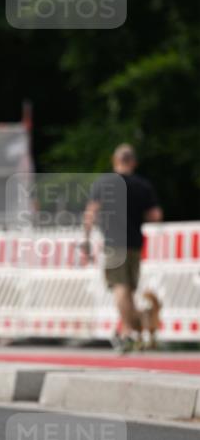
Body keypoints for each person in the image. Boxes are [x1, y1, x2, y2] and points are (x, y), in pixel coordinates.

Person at [84, 144, 163, 352]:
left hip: (113, 243)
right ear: (133, 162)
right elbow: (155, 215)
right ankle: (143, 322)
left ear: (114, 160)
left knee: (119, 288)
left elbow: (91, 212)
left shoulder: (104, 183)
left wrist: (86, 238)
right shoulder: (143, 185)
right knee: (129, 289)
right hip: (135, 243)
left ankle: (128, 332)